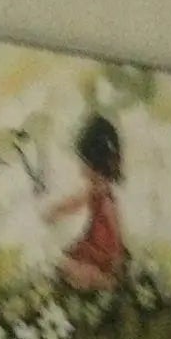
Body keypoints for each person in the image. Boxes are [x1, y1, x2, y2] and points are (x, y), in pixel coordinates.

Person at [45, 114, 126, 291]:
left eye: (84, 162)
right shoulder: (100, 190)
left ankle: (105, 282)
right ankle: (100, 281)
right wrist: (56, 211)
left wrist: (54, 212)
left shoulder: (101, 193)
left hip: (101, 255)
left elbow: (76, 203)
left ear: (95, 164)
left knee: (65, 268)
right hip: (94, 248)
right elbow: (75, 203)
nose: (81, 167)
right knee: (63, 268)